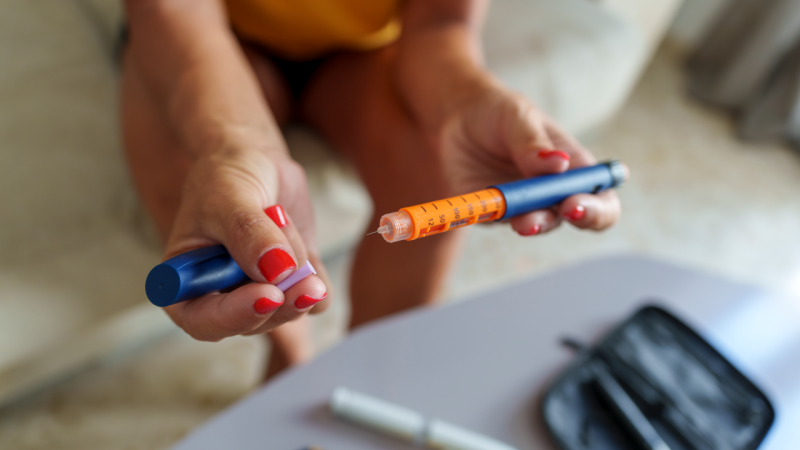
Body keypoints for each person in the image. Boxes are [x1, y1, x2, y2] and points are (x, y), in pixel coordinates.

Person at [121, 0, 621, 378]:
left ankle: (368, 378)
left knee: (430, 171)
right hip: (203, 40)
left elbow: (441, 20)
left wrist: (470, 99)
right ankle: (287, 352)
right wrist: (232, 146)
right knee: (195, 180)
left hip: (361, 53)